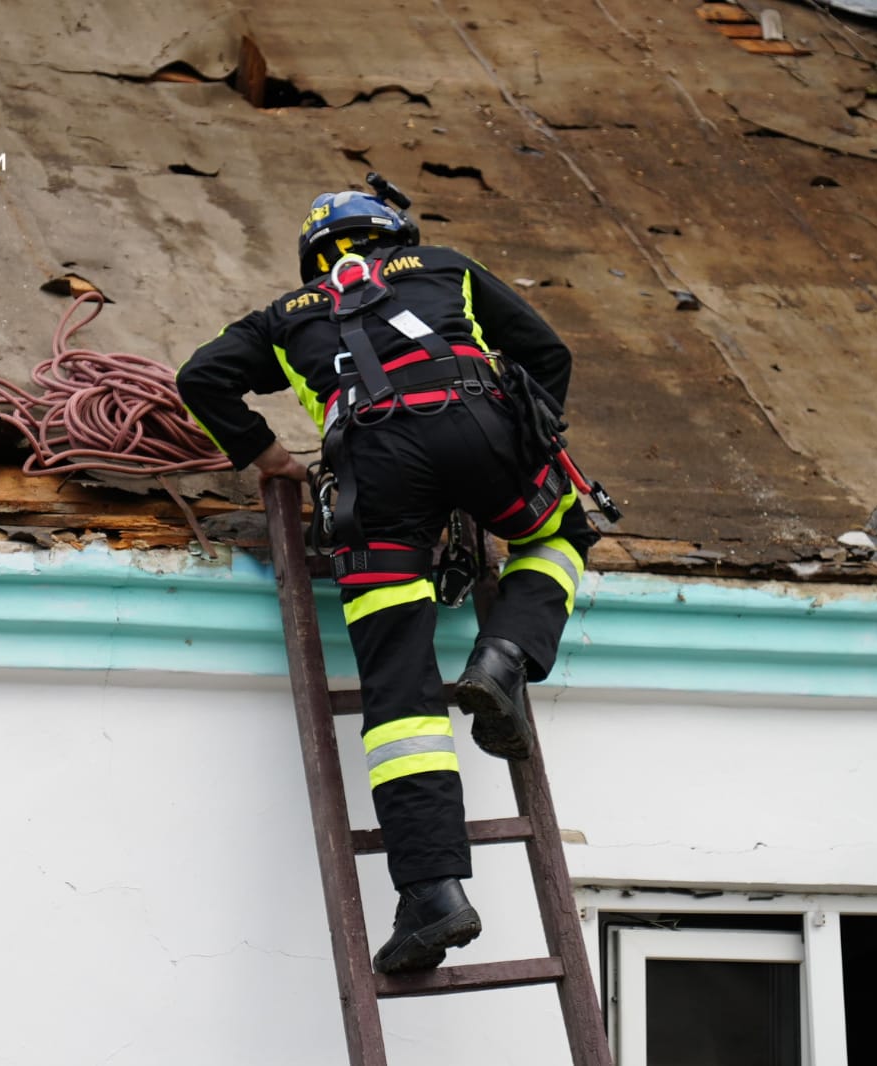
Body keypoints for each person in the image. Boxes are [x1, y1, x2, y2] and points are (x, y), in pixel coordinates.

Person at [176, 183, 598, 975]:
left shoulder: (280, 317)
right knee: (559, 531)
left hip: (373, 480)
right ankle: (505, 656)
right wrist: (523, 443)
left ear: (318, 259)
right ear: (390, 234)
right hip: (482, 428)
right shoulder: (446, 266)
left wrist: (265, 456)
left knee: (399, 694)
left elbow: (199, 377)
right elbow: (548, 356)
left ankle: (432, 895)